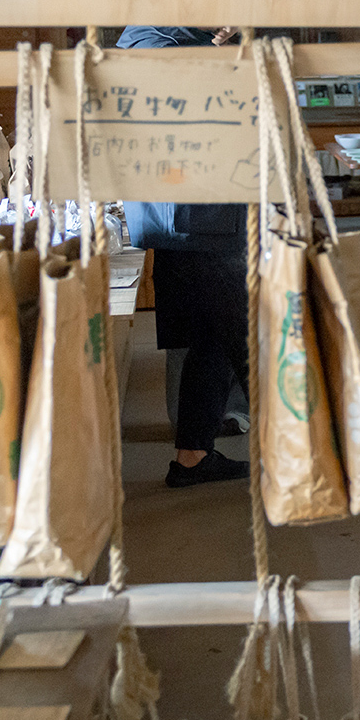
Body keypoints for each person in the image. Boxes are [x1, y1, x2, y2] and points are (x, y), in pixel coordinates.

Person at [118, 26, 252, 488]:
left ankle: (192, 456)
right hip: (196, 217)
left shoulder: (166, 40)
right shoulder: (154, 44)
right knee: (248, 336)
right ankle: (301, 454)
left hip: (188, 217)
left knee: (209, 339)